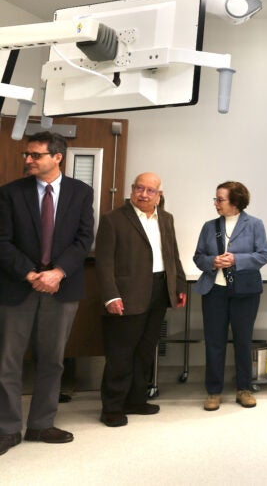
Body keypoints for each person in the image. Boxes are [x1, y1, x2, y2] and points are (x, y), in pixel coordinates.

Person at [0, 131, 94, 456]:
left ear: (57, 157)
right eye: (27, 154)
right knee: (7, 362)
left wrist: (57, 273)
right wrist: (30, 274)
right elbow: (2, 242)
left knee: (52, 361)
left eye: (35, 155)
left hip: (62, 287)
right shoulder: (10, 193)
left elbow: (84, 239)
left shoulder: (82, 192)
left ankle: (41, 424)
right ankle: (8, 429)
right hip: (17, 287)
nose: (28, 160)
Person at [94, 173, 187, 428]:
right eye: (139, 188)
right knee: (120, 353)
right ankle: (112, 407)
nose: (143, 194)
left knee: (145, 351)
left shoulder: (166, 219)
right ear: (132, 190)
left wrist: (178, 285)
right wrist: (111, 295)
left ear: (159, 194)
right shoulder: (113, 219)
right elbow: (103, 262)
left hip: (159, 291)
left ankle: (135, 400)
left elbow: (172, 255)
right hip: (126, 294)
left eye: (150, 190)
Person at [193, 181, 267, 411]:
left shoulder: (255, 224)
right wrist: (212, 261)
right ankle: (213, 392)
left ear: (235, 201)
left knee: (243, 340)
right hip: (214, 291)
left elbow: (264, 255)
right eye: (215, 199)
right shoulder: (210, 226)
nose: (216, 203)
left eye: (220, 199)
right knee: (214, 342)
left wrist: (237, 259)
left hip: (245, 292)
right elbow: (198, 257)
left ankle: (244, 389)